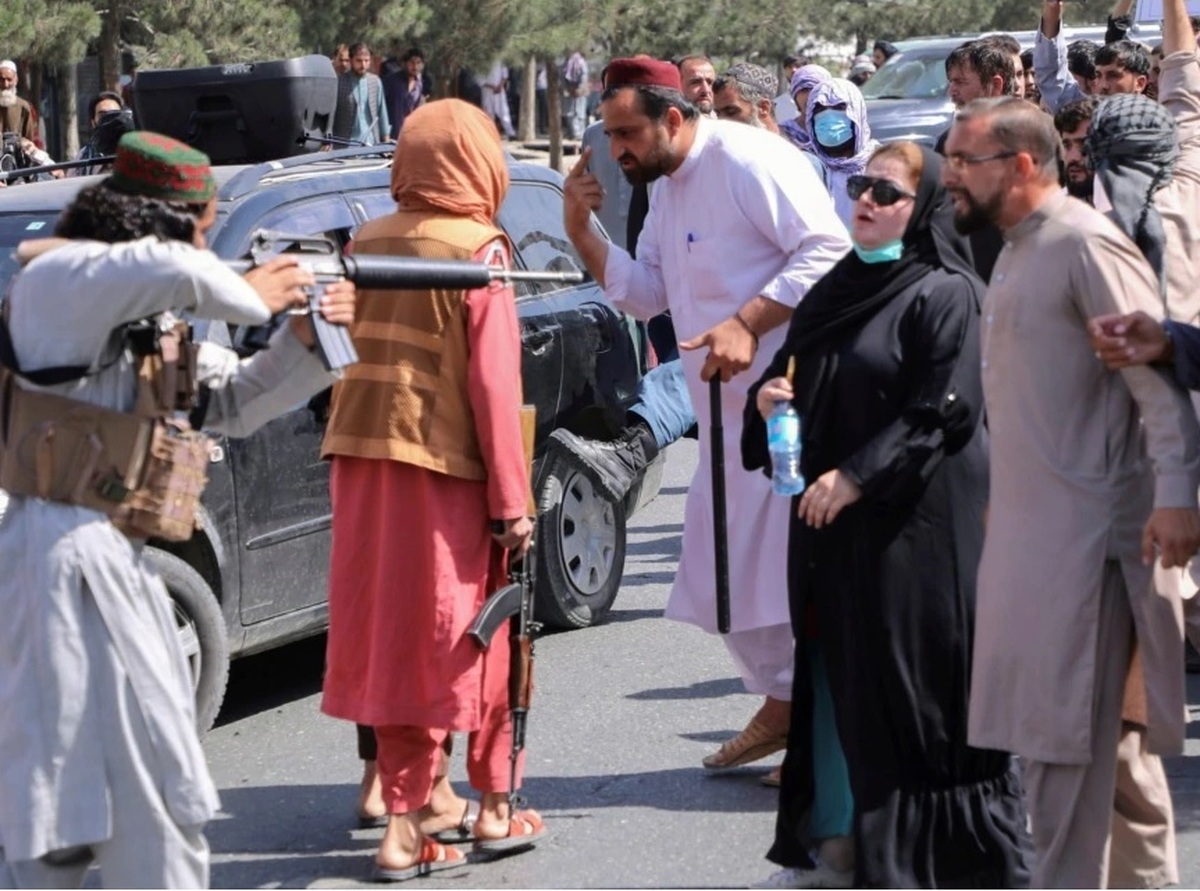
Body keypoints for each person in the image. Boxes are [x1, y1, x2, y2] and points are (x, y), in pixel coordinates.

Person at [0, 130, 355, 888]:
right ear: (159, 222)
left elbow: (236, 398)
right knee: (65, 818)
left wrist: (304, 336)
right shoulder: (57, 284)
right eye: (202, 224)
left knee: (144, 803)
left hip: (115, 561)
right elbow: (159, 264)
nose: (205, 242)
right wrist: (248, 286)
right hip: (51, 562)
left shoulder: (146, 321)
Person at [745, 141, 1033, 889]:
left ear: (926, 206)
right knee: (840, 681)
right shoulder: (835, 287)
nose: (864, 200)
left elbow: (942, 413)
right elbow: (793, 376)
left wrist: (859, 477)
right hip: (831, 531)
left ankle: (936, 859)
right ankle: (841, 845)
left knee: (916, 696)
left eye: (885, 191)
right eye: (857, 185)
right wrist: (768, 401)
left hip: (918, 531)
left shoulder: (947, 292)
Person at [561, 57, 849, 775]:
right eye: (611, 133)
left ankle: (815, 723)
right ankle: (789, 707)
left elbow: (829, 251)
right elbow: (649, 291)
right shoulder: (666, 188)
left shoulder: (751, 160)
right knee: (718, 572)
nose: (619, 148)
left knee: (785, 572)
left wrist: (749, 321)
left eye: (629, 132)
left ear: (675, 119)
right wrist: (582, 230)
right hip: (719, 420)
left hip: (788, 406)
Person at [943, 95, 1200, 889]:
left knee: (1059, 769)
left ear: (1022, 164)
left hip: (1086, 552)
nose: (949, 174)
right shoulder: (1020, 244)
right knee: (1117, 770)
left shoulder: (1087, 245)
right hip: (1036, 544)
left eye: (965, 160)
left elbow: (1155, 387)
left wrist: (1178, 493)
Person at [320, 99, 546, 882]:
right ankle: (427, 824)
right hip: (442, 467)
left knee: (393, 634)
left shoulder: (365, 239)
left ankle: (421, 801)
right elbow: (493, 386)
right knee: (466, 635)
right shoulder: (479, 248)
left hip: (359, 460)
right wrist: (513, 502)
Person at [804, 78, 878, 227]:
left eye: (839, 107)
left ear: (857, 112)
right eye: (819, 109)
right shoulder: (805, 166)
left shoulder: (880, 164)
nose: (828, 116)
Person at [332, 43, 391, 146]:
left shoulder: (375, 82)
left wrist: (386, 142)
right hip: (344, 147)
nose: (363, 65)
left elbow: (382, 114)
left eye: (366, 61)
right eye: (359, 61)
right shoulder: (339, 82)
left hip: (371, 145)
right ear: (351, 60)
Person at [71, 91, 131, 177]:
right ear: (93, 122)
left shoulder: (135, 150)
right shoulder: (83, 155)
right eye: (103, 115)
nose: (110, 119)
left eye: (115, 114)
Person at [779, 64, 831, 153]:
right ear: (795, 96)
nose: (810, 96)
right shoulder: (784, 132)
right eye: (804, 90)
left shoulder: (839, 130)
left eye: (816, 89)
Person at [382, 47, 430, 140]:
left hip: (408, 135)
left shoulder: (419, 84)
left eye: (418, 63)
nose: (415, 66)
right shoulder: (391, 80)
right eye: (412, 62)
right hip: (390, 134)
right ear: (405, 63)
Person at [1055, 97, 1097, 200]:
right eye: (1067, 146)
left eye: (1084, 145)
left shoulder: (1137, 209)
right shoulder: (1052, 210)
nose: (1073, 157)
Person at [0, 59, 37, 144]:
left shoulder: (23, 106)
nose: (6, 84)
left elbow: (29, 138)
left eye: (9, 80)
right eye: (1, 80)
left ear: (15, 80)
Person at [482, 61, 515, 139]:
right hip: (487, 90)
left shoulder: (500, 60)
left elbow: (504, 75)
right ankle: (490, 133)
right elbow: (479, 79)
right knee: (488, 112)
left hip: (499, 89)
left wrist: (500, 85)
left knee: (503, 111)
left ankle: (510, 132)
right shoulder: (483, 61)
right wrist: (492, 87)